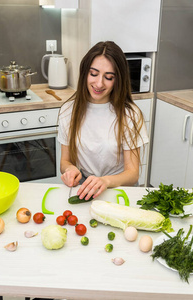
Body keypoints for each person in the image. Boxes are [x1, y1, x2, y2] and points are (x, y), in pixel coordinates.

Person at [57, 41, 149, 200]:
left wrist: (105, 181)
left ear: (118, 80)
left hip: (118, 187)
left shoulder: (130, 115)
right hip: (84, 187)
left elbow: (132, 174)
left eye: (108, 77)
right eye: (93, 74)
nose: (99, 83)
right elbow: (65, 161)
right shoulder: (68, 111)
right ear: (85, 73)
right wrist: (70, 170)